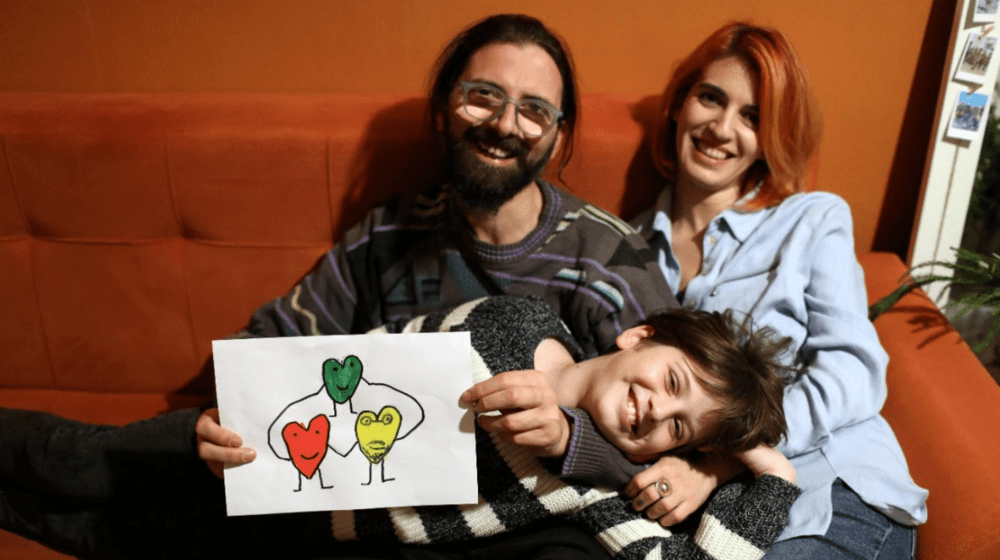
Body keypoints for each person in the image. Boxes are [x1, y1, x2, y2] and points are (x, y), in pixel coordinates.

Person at [0, 13, 674, 560]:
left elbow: (684, 420)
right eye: (483, 96)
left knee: (124, 517)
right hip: (338, 483)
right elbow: (275, 339)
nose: (504, 124)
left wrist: (568, 436)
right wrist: (231, 415)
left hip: (495, 520)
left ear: (557, 140)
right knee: (121, 457)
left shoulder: (605, 253)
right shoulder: (390, 234)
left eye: (534, 111)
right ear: (446, 109)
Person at [1, 295, 799, 560]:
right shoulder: (514, 324)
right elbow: (347, 370)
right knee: (73, 459)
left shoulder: (589, 496)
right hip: (242, 451)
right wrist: (234, 420)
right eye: (670, 384)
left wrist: (769, 471)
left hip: (287, 537)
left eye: (680, 430)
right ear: (641, 335)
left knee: (82, 532)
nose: (657, 413)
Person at [623, 22, 928, 559]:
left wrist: (714, 463)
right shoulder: (625, 246)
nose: (721, 128)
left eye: (752, 117)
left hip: (829, 491)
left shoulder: (812, 220)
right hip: (710, 518)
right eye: (710, 98)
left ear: (770, 139)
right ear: (678, 104)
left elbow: (853, 371)